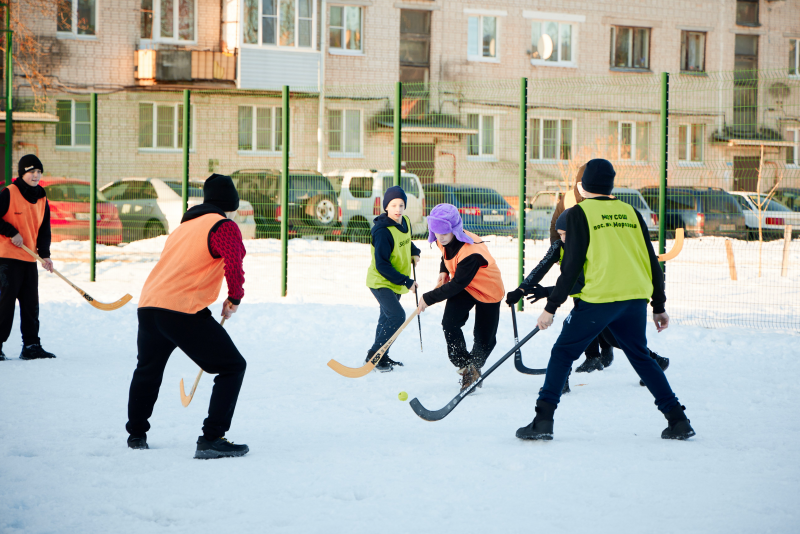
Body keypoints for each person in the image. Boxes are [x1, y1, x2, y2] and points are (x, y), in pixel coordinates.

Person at [515, 159, 695, 441]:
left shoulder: (578, 213)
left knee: (562, 354)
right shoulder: (631, 211)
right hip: (634, 298)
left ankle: (542, 421)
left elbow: (571, 268)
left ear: (582, 186)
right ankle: (678, 420)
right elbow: (651, 261)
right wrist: (658, 305)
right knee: (641, 357)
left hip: (599, 298)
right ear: (611, 185)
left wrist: (551, 307)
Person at [126, 174, 250, 459]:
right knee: (232, 366)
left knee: (147, 370)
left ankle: (136, 434)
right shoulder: (223, 225)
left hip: (150, 306)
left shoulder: (184, 227)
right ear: (231, 203)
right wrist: (234, 297)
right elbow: (234, 260)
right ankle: (212, 438)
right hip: (181, 309)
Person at [506, 208, 670, 393]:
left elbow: (580, 284)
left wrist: (548, 292)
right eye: (560, 234)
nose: (563, 239)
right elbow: (541, 267)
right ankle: (656, 361)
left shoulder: (590, 247)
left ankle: (560, 382)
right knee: (613, 339)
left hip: (597, 301)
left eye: (566, 234)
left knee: (571, 341)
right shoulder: (559, 246)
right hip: (586, 302)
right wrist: (521, 289)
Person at [417, 203, 504, 392]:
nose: (440, 237)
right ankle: (467, 368)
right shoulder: (443, 238)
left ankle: (475, 366)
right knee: (450, 323)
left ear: (454, 229)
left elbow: (456, 285)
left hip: (488, 288)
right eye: (436, 232)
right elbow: (445, 253)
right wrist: (443, 270)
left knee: (484, 338)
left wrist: (429, 298)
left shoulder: (471, 253)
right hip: (466, 285)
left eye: (444, 233)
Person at [0, 154, 56, 361]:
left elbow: (44, 230)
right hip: (7, 259)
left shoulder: (41, 197)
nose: (36, 175)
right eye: (31, 171)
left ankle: (31, 346)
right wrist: (11, 232)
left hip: (29, 258)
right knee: (5, 305)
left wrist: (45, 255)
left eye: (39, 172)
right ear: (22, 173)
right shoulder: (9, 192)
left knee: (31, 305)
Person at [365, 185, 420, 372]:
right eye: (393, 205)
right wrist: (406, 281)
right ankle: (374, 356)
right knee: (397, 316)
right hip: (381, 281)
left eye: (401, 205)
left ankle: (382, 355)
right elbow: (382, 265)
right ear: (386, 207)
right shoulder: (382, 232)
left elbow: (406, 241)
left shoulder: (405, 221)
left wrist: (414, 252)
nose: (398, 209)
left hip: (394, 280)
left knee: (386, 319)